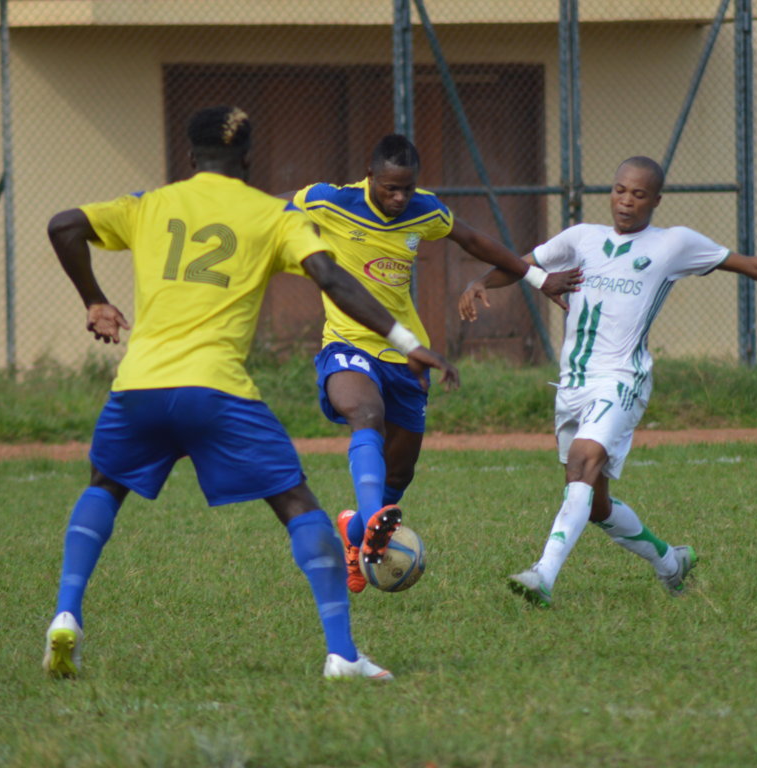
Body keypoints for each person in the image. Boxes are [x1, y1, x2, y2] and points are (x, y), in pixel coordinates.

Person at [42, 106, 459, 681]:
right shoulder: (270, 215)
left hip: (139, 385)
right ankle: (341, 653)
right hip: (218, 392)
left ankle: (66, 613)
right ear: (247, 159)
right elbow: (334, 280)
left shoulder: (149, 204)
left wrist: (94, 299)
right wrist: (406, 339)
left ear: (190, 157)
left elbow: (63, 225)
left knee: (104, 487)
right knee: (298, 507)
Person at [459, 155, 757, 607]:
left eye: (639, 194)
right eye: (620, 190)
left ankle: (543, 575)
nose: (626, 201)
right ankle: (670, 562)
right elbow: (520, 264)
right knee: (596, 503)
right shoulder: (582, 237)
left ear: (656, 200)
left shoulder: (673, 245)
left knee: (583, 462)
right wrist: (482, 281)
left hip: (623, 379)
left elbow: (752, 265)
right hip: (572, 385)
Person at [289, 134, 580, 593]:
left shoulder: (425, 209)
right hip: (347, 342)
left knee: (400, 472)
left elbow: (474, 240)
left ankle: (354, 530)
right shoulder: (330, 200)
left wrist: (538, 278)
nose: (399, 197)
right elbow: (270, 208)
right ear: (370, 178)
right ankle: (370, 529)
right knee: (366, 414)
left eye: (406, 187)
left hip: (407, 353)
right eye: (390, 188)